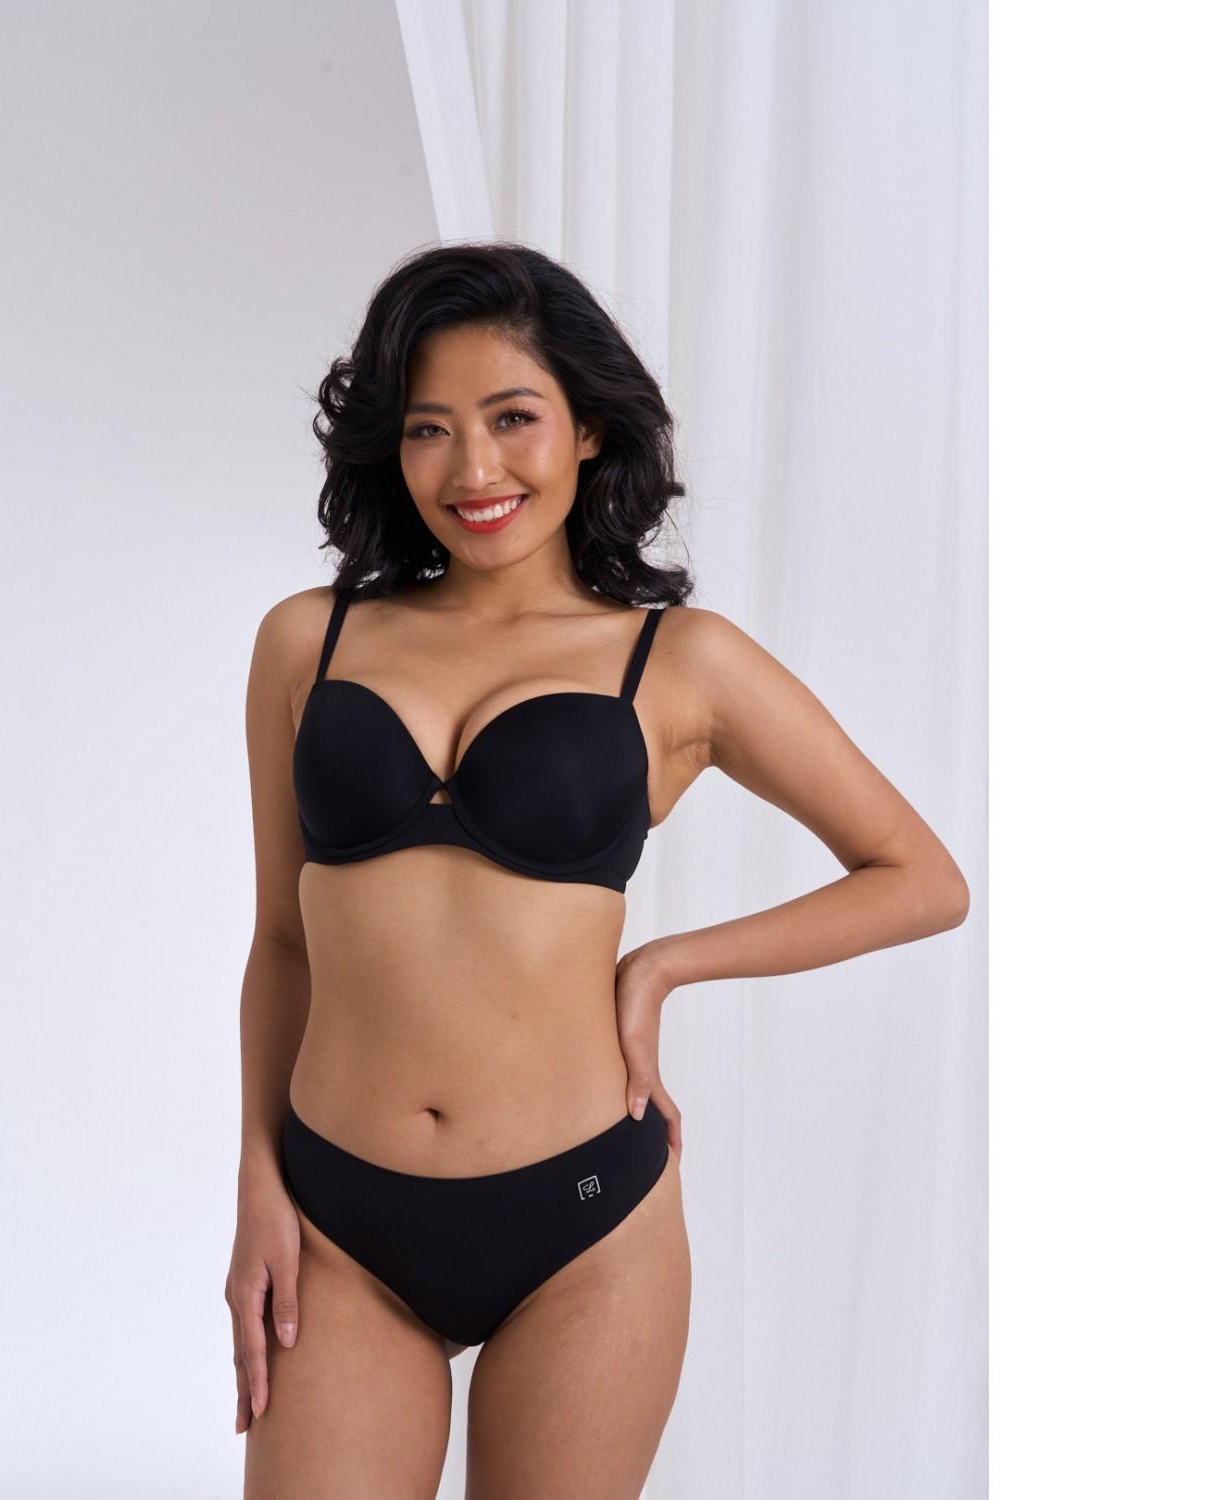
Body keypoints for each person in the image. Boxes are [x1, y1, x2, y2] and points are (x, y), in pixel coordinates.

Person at [228, 243, 969, 1497]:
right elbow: (283, 939)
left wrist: (664, 965)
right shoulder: (310, 639)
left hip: (584, 1226)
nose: (473, 470)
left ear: (587, 428)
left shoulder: (681, 662)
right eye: (428, 429)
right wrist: (257, 1175)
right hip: (336, 1223)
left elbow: (919, 876)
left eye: (512, 418)